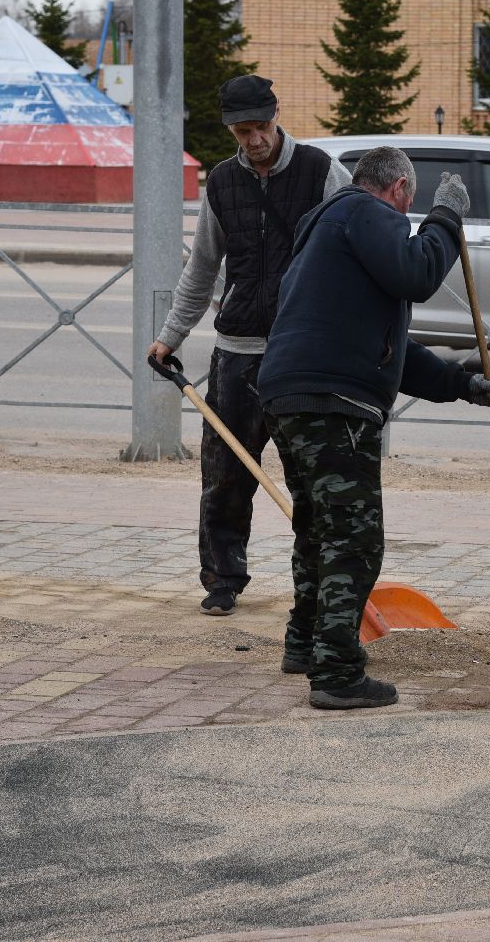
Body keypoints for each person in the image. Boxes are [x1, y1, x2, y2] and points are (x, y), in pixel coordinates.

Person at [257, 148, 490, 710]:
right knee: (354, 539)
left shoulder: (331, 233)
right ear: (397, 189)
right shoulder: (364, 212)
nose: (407, 216)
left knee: (318, 531)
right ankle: (338, 672)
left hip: (291, 395)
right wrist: (446, 217)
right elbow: (419, 273)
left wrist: (463, 384)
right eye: (410, 205)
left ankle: (305, 643)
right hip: (334, 402)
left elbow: (394, 351)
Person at [146, 75, 350, 617]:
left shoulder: (322, 172)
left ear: (276, 115)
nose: (254, 139)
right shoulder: (222, 184)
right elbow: (201, 270)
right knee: (225, 476)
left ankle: (320, 586)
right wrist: (171, 336)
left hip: (301, 354)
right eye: (242, 130)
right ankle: (221, 578)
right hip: (235, 352)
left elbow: (358, 247)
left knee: (310, 477)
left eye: (261, 126)